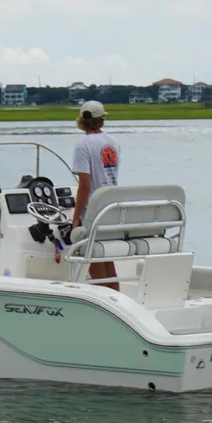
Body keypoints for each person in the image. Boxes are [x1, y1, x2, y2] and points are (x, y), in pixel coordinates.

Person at [71, 100, 121, 291]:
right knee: (107, 259)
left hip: (94, 208)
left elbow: (85, 185)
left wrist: (76, 216)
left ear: (82, 121)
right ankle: (116, 298)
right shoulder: (113, 142)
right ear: (101, 119)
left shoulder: (83, 146)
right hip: (111, 206)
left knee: (93, 257)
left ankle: (102, 297)